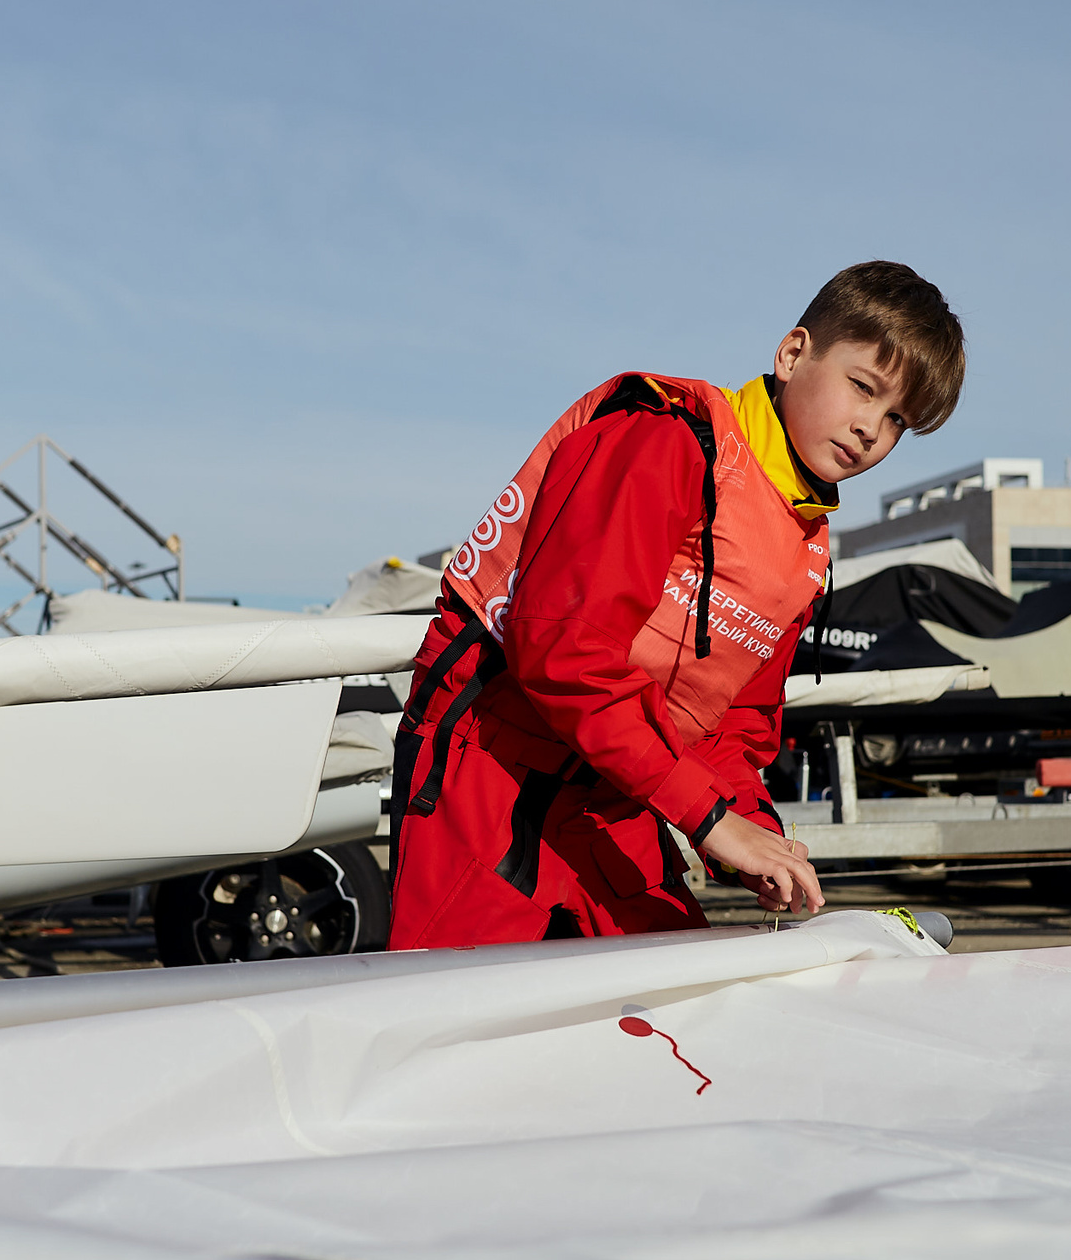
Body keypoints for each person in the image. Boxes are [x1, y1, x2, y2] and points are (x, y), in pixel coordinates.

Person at [387, 260, 964, 950]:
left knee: (675, 1019)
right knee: (468, 1030)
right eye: (863, 387)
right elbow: (564, 650)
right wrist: (712, 818)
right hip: (489, 763)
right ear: (792, 353)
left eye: (898, 418)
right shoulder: (666, 438)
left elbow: (731, 724)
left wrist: (756, 838)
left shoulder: (800, 544)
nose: (872, 428)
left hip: (613, 789)